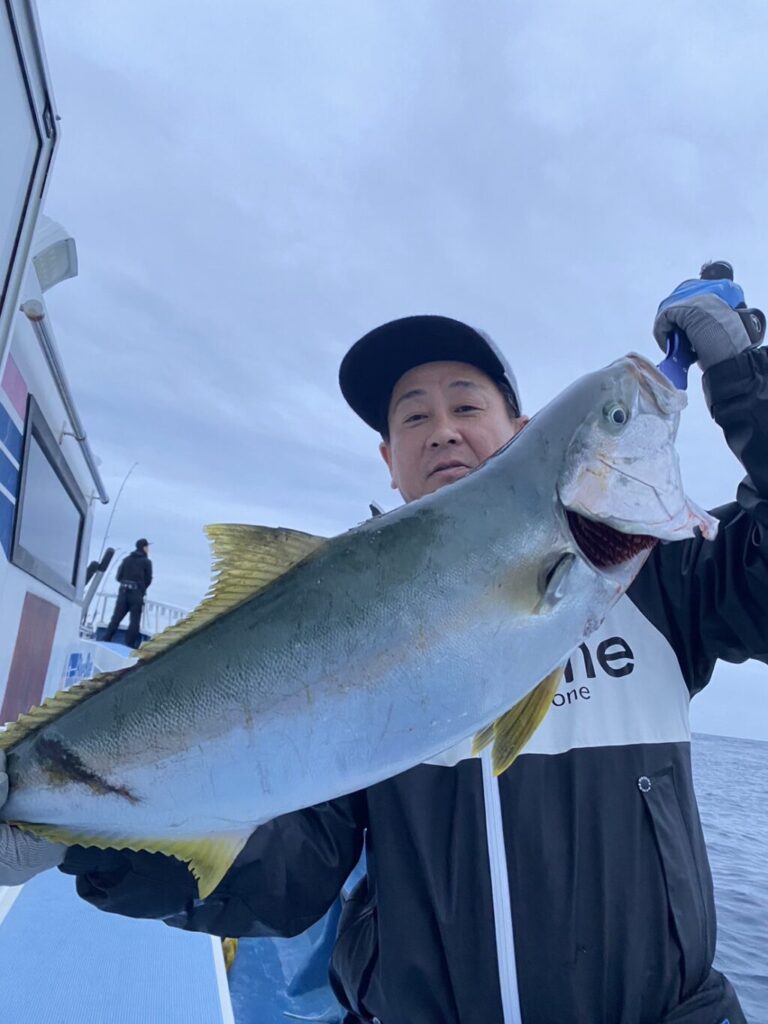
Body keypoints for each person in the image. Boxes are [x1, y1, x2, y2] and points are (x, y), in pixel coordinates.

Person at [1, 287, 767, 1024]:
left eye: (467, 406)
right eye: (414, 417)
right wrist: (80, 839)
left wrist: (746, 390)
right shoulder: (333, 616)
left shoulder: (663, 581)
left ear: (524, 429)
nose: (443, 430)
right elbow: (289, 869)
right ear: (388, 460)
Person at [102, 538, 153, 648]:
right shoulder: (147, 562)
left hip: (123, 592)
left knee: (116, 618)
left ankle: (106, 639)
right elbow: (148, 579)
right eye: (147, 547)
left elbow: (118, 577)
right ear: (144, 548)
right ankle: (129, 645)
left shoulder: (126, 560)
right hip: (136, 594)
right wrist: (141, 588)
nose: (148, 549)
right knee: (134, 621)